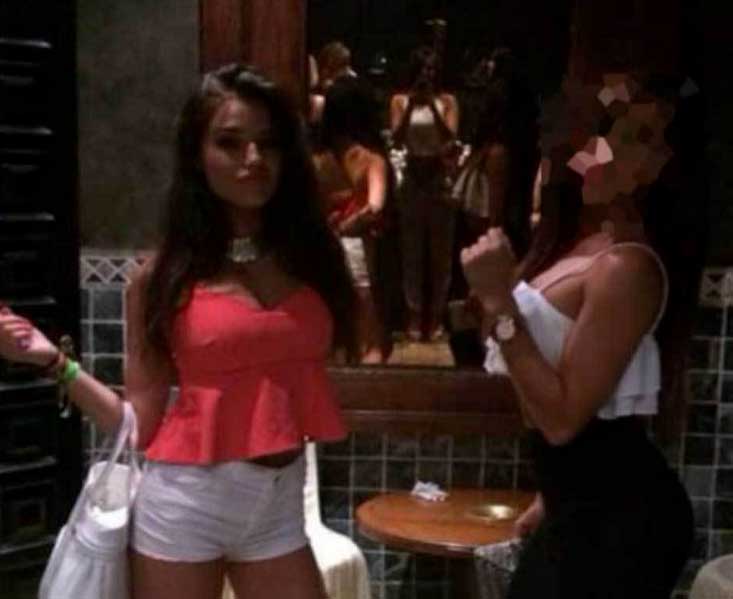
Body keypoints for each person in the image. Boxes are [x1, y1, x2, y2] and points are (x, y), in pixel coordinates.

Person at [0, 64, 359, 599]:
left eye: (267, 143)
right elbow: (137, 425)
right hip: (187, 502)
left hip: (280, 501)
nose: (253, 158)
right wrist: (53, 361)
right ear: (197, 155)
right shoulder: (162, 278)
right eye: (230, 143)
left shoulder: (311, 259)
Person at [461, 78, 694, 598]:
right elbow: (577, 402)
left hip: (620, 518)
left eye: (638, 140)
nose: (606, 152)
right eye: (604, 133)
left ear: (660, 166)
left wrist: (501, 305)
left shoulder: (627, 267)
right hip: (577, 503)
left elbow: (564, 420)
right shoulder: (576, 247)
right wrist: (550, 495)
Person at [448, 47, 540, 366]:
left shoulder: (498, 154)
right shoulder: (491, 151)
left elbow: (496, 216)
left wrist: (489, 257)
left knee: (485, 315)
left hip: (486, 245)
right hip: (478, 242)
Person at [314, 75, 399, 363]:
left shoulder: (315, 160)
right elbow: (375, 207)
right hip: (359, 252)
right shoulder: (371, 160)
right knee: (368, 338)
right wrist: (350, 225)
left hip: (321, 248)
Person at [390, 45, 460, 341]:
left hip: (438, 176)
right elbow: (396, 138)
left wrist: (431, 105)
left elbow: (450, 137)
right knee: (412, 252)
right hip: (413, 176)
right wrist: (411, 107)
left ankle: (437, 316)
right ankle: (415, 316)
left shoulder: (447, 101)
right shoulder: (399, 100)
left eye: (431, 69)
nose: (427, 74)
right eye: (422, 69)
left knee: (440, 253)